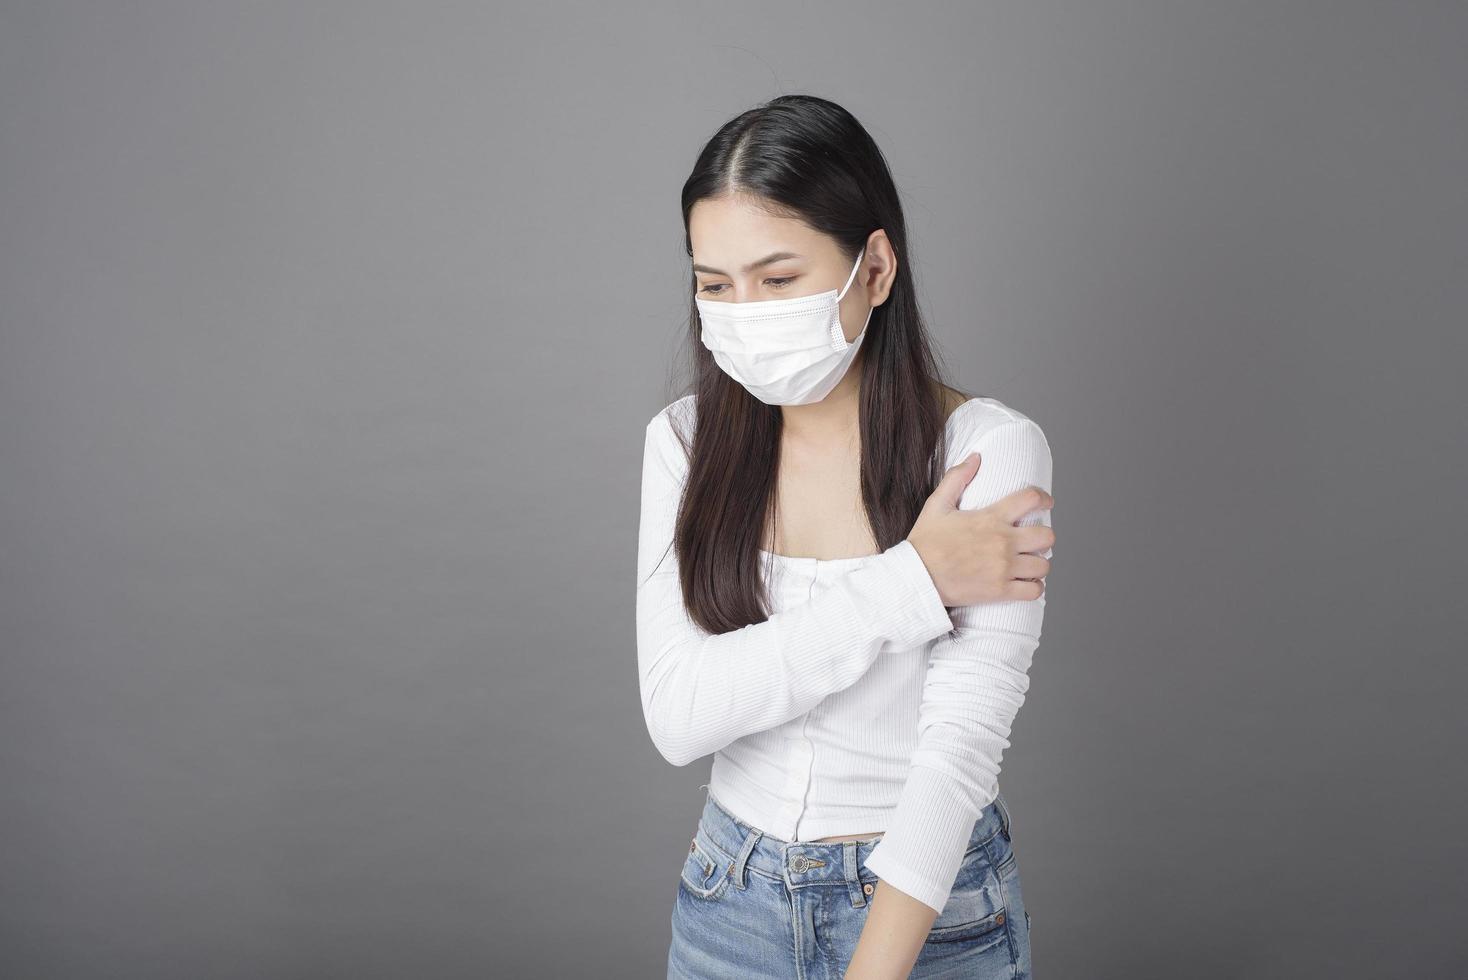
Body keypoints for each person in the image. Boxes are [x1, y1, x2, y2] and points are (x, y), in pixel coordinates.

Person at [638, 94, 1055, 980]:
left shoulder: (986, 451)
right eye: (715, 284)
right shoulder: (682, 441)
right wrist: (911, 581)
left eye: (778, 279)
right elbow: (679, 717)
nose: (743, 312)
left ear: (874, 267)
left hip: (930, 916)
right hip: (729, 904)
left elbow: (961, 749)